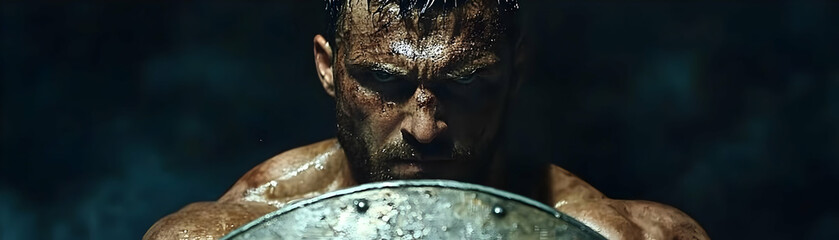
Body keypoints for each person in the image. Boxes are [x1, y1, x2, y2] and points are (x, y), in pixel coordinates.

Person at [144, 0, 708, 239]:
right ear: (328, 69)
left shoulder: (624, 237)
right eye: (384, 82)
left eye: (464, 83)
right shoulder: (224, 237)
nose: (425, 126)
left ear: (515, 71)